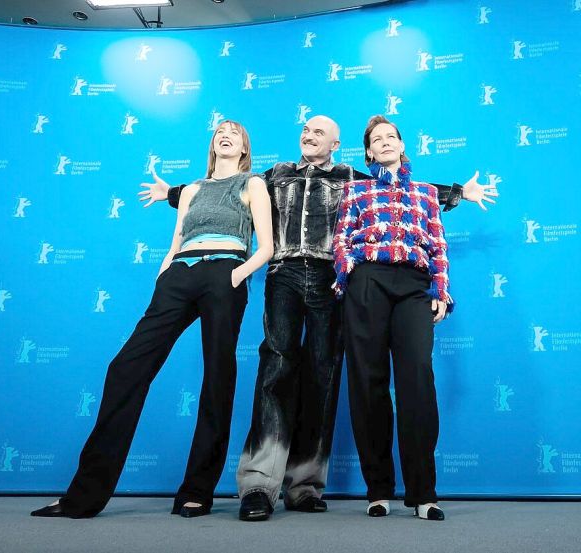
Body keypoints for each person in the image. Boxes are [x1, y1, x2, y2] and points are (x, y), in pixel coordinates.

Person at [141, 115, 497, 521]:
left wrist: (458, 193)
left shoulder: (351, 178)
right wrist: (173, 193)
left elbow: (399, 188)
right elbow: (229, 187)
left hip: (330, 280)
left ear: (336, 145)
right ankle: (258, 486)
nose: (308, 136)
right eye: (305, 131)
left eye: (318, 133)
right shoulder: (276, 174)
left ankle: (305, 485)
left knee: (323, 376)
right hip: (284, 274)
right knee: (275, 370)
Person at [31, 120, 273, 519]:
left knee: (217, 378)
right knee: (125, 368)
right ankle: (83, 497)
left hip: (224, 272)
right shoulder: (192, 190)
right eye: (219, 131)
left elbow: (267, 245)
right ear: (212, 144)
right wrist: (164, 278)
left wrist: (236, 275)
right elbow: (176, 241)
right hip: (180, 274)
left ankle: (197, 491)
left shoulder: (252, 184)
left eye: (234, 132)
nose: (225, 134)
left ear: (244, 147)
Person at [333, 115, 451, 521]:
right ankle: (378, 489)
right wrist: (348, 273)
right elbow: (341, 239)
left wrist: (440, 291)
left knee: (417, 379)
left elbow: (437, 245)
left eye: (390, 136)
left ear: (401, 145)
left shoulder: (427, 192)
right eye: (376, 139)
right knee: (368, 382)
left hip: (414, 284)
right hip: (368, 280)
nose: (384, 142)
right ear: (368, 152)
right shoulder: (356, 190)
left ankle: (424, 493)